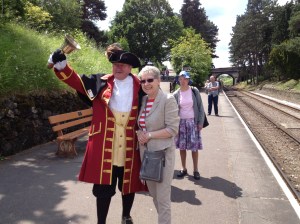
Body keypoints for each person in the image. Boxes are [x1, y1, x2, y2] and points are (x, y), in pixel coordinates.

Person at [47, 44, 147, 224]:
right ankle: (101, 221)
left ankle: (126, 215)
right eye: (115, 63)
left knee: (128, 186)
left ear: (130, 67)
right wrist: (61, 64)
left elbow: (153, 106)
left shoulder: (141, 87)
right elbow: (76, 81)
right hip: (104, 145)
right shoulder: (101, 82)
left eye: (123, 65)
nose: (118, 67)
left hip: (130, 146)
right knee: (103, 188)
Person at [136, 66, 179, 224]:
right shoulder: (144, 100)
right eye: (143, 81)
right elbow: (142, 125)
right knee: (154, 195)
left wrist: (149, 135)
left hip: (162, 156)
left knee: (162, 198)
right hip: (147, 156)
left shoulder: (168, 99)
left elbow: (173, 129)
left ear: (158, 81)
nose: (146, 84)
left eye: (150, 80)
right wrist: (139, 133)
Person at [173, 71, 205, 180]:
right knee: (182, 147)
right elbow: (172, 110)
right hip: (181, 123)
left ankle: (196, 170)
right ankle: (183, 168)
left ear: (188, 80)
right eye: (181, 79)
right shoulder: (176, 94)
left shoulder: (194, 91)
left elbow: (200, 108)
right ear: (178, 80)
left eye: (185, 79)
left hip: (193, 123)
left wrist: (200, 122)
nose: (183, 81)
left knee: (194, 148)